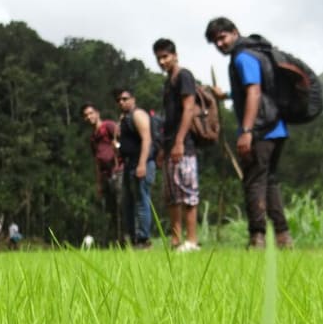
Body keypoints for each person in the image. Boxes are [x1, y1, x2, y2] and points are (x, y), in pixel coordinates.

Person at [205, 17, 294, 249]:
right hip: (276, 127)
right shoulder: (256, 53)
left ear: (235, 32)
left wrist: (246, 131)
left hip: (260, 130)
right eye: (216, 41)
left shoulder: (243, 57)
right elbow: (254, 90)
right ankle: (283, 237)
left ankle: (257, 238)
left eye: (222, 37)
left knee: (254, 182)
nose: (220, 44)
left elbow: (254, 93)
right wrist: (225, 96)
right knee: (269, 182)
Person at [152, 38, 200, 252]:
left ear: (175, 55)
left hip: (185, 145)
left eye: (165, 56)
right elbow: (168, 119)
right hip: (169, 145)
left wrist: (180, 141)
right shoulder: (167, 82)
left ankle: (192, 241)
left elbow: (189, 109)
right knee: (172, 196)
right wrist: (164, 148)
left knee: (188, 193)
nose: (162, 61)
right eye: (158, 58)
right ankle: (175, 240)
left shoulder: (184, 76)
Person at [113, 87, 156, 249]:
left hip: (141, 163)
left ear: (133, 99)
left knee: (141, 201)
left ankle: (144, 239)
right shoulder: (124, 119)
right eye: (119, 100)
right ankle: (132, 238)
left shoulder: (138, 115)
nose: (121, 102)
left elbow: (147, 139)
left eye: (125, 99)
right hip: (129, 164)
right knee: (128, 203)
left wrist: (142, 164)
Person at [80, 102, 124, 247]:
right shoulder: (93, 138)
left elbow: (122, 140)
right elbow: (97, 161)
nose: (88, 117)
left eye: (90, 113)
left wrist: (117, 148)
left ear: (97, 113)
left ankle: (127, 238)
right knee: (111, 209)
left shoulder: (109, 126)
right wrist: (98, 183)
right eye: (86, 115)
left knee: (121, 206)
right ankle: (116, 241)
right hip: (105, 176)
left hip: (118, 171)